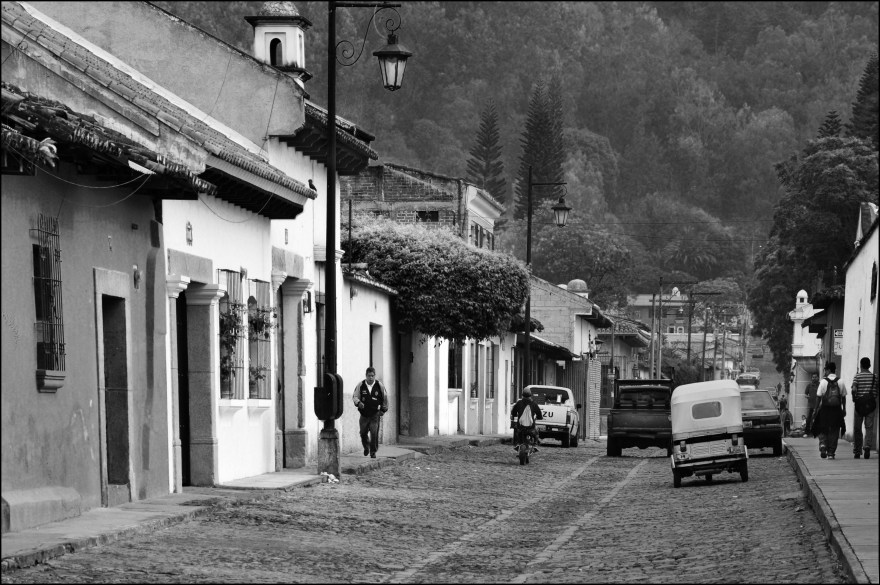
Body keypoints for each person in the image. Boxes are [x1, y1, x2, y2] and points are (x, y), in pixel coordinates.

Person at [811, 362, 848, 460]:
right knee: (834, 431)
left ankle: (823, 444)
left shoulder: (823, 382)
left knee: (822, 427)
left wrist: (815, 410)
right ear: (834, 370)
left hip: (825, 409)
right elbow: (843, 397)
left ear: (828, 370)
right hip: (836, 410)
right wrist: (844, 409)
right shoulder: (841, 381)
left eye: (825, 370)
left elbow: (818, 397)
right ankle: (831, 452)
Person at [352, 367, 388, 458]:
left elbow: (385, 398)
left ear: (374, 376)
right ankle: (366, 447)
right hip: (364, 415)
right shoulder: (361, 385)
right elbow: (355, 396)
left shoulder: (380, 385)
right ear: (366, 376)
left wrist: (383, 410)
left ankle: (373, 452)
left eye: (372, 376)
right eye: (369, 376)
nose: (371, 378)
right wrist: (358, 403)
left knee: (374, 433)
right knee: (363, 433)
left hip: (375, 414)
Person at [851, 357, 878, 459]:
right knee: (869, 427)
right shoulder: (874, 377)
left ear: (861, 365)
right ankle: (867, 446)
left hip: (859, 405)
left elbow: (854, 389)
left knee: (857, 428)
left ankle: (857, 450)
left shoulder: (857, 376)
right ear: (869, 365)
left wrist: (854, 398)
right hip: (870, 405)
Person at [510, 387, 543, 451]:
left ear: (522, 395)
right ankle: (535, 444)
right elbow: (539, 413)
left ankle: (517, 444)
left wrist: (514, 415)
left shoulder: (519, 403)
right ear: (530, 395)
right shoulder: (534, 404)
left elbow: (513, 411)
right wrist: (539, 417)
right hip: (531, 428)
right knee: (536, 431)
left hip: (521, 428)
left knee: (517, 431)